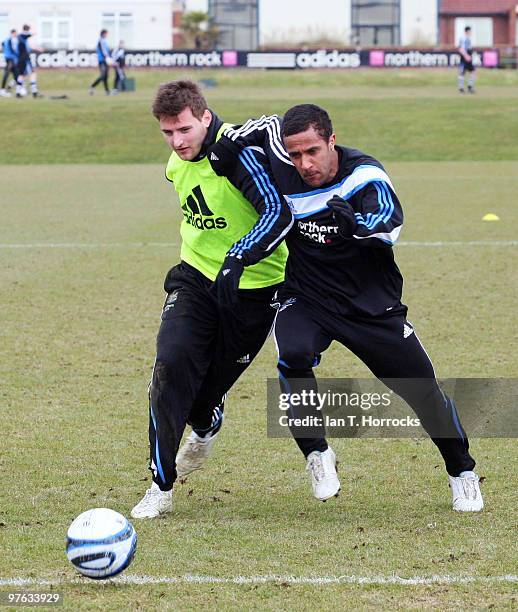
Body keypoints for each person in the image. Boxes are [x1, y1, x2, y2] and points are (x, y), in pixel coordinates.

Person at [209, 105, 484, 512]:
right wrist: (227, 146)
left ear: (332, 141)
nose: (305, 163)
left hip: (370, 305)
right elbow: (263, 126)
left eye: (313, 152)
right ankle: (317, 454)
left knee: (422, 391)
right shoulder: (285, 161)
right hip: (308, 297)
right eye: (296, 154)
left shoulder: (363, 174)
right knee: (293, 353)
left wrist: (357, 223)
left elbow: (389, 221)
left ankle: (462, 471)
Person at [130, 80, 291, 519]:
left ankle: (207, 420)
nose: (177, 141)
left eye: (184, 129)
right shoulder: (175, 163)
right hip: (194, 279)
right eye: (167, 133)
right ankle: (160, 484)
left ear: (205, 117)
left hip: (254, 290)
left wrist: (240, 256)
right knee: (171, 364)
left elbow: (280, 213)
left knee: (203, 399)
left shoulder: (237, 155)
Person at [15, 24, 43, 98]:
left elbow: (29, 46)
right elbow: (27, 35)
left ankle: (18, 92)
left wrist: (37, 48)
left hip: (20, 59)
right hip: (25, 59)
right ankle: (34, 92)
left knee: (21, 75)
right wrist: (34, 32)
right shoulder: (21, 36)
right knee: (32, 73)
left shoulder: (22, 39)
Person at [89, 29, 112, 95]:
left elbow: (107, 50)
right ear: (103, 34)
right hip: (102, 60)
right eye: (106, 34)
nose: (107, 35)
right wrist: (107, 57)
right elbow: (103, 50)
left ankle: (107, 91)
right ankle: (92, 86)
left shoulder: (105, 41)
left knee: (106, 76)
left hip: (106, 60)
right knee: (103, 76)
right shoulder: (100, 41)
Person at [1, 29, 18, 98]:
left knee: (16, 76)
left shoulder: (6, 40)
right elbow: (12, 50)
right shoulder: (10, 40)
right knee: (7, 74)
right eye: (15, 33)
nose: (16, 35)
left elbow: (2, 44)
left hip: (9, 58)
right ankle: (2, 90)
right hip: (10, 59)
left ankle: (7, 89)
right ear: (13, 33)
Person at [458, 26, 475, 94]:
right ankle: (461, 88)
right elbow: (461, 49)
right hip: (464, 58)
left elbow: (469, 48)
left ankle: (469, 87)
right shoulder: (463, 39)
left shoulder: (469, 39)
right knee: (462, 72)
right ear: (466, 31)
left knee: (472, 72)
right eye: (470, 31)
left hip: (468, 57)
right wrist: (466, 56)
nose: (471, 32)